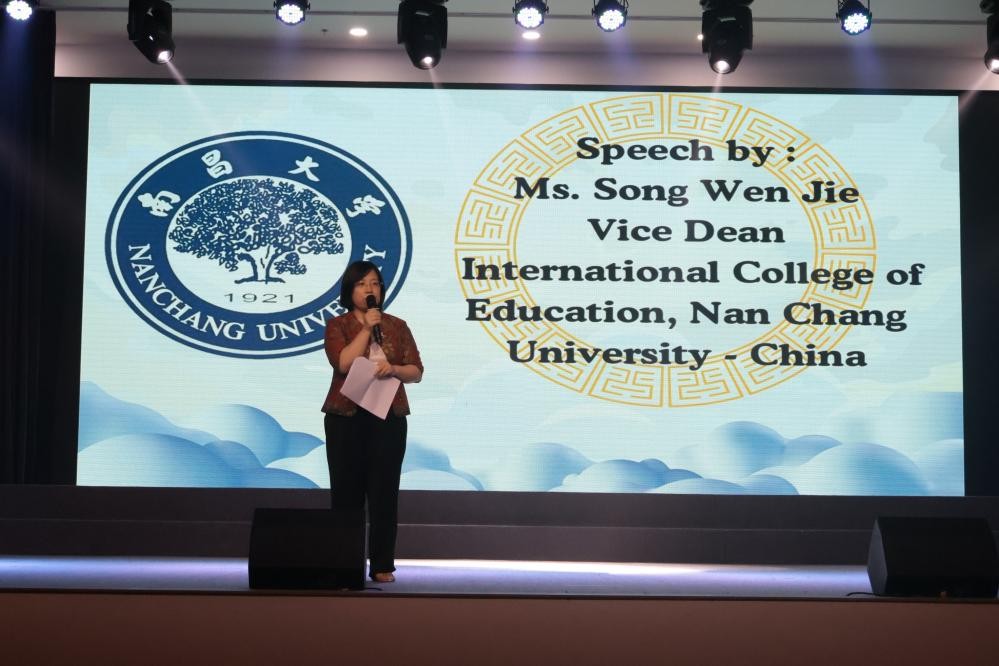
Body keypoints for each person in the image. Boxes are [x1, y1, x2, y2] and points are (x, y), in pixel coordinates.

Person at [322, 260, 423, 583]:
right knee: (346, 493)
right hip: (346, 417)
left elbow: (416, 371)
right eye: (362, 284)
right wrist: (366, 328)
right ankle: (344, 562)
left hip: (387, 416)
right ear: (350, 290)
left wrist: (394, 369)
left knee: (384, 492)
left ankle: (382, 564)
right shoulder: (338, 325)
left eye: (375, 283)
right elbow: (342, 364)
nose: (370, 289)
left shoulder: (397, 326)